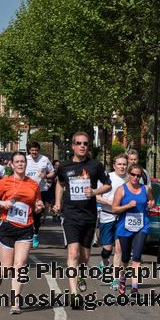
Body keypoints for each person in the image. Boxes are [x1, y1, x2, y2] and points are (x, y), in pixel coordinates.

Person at [53, 132, 111, 308]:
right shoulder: (64, 166)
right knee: (73, 253)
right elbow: (60, 183)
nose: (82, 146)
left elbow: (108, 184)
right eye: (78, 143)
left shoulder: (95, 166)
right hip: (70, 215)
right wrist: (57, 203)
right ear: (73, 145)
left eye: (85, 143)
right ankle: (74, 294)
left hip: (89, 216)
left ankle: (82, 275)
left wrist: (94, 192)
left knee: (85, 256)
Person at [0, 151, 44, 314]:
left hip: (26, 228)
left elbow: (36, 206)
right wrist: (2, 203)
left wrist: (39, 207)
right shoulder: (5, 182)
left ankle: (15, 302)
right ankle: (0, 272)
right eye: (17, 162)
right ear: (11, 164)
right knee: (7, 267)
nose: (20, 164)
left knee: (20, 264)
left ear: (26, 164)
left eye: (23, 162)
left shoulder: (33, 184)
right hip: (7, 227)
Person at [112, 164, 154, 295]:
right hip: (124, 227)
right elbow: (114, 208)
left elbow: (151, 201)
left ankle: (135, 286)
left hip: (141, 226)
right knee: (125, 258)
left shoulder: (145, 189)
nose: (136, 178)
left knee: (136, 257)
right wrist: (127, 206)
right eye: (133, 175)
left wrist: (151, 204)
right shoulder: (121, 190)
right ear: (129, 175)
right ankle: (122, 280)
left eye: (138, 175)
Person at [96, 154, 129, 290]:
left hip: (122, 218)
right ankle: (104, 263)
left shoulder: (130, 179)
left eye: (124, 164)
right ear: (114, 165)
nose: (122, 167)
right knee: (106, 250)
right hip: (107, 215)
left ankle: (115, 279)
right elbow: (96, 196)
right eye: (119, 164)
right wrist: (110, 202)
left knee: (119, 248)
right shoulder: (107, 178)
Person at [26, 141, 55, 248]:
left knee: (37, 214)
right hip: (27, 191)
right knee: (28, 213)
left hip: (40, 190)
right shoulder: (25, 159)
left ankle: (35, 235)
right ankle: (27, 234)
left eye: (36, 150)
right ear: (29, 150)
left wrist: (46, 175)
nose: (34, 152)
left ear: (39, 150)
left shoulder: (44, 159)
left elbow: (53, 172)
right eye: (32, 150)